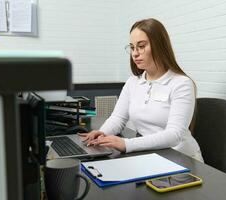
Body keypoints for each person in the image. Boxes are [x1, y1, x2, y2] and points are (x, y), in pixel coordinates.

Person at [80, 18, 203, 162]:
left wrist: (126, 144)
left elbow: (174, 135)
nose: (135, 53)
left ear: (159, 46)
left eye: (141, 46)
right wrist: (102, 133)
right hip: (151, 155)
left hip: (182, 157)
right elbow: (118, 118)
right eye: (132, 47)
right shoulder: (133, 82)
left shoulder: (181, 83)